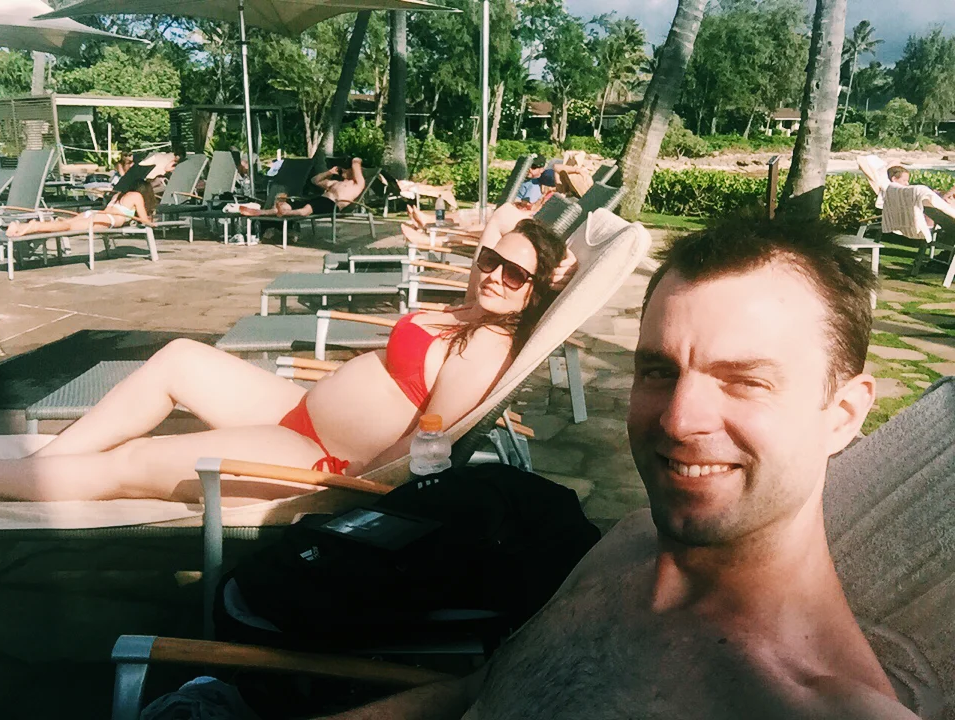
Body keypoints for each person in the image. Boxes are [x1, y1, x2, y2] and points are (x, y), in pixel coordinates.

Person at [310, 218, 920, 720]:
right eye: (658, 371)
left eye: (745, 381)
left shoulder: (813, 705)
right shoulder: (627, 546)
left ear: (843, 416)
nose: (679, 420)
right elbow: (481, 692)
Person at [0, 220, 567, 504]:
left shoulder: (487, 345)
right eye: (489, 261)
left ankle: (11, 480)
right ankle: (42, 466)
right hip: (297, 412)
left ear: (536, 291)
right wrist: (548, 255)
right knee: (179, 358)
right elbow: (503, 227)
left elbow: (428, 446)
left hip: (319, 461)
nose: (495, 276)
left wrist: (348, 489)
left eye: (516, 275)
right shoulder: (476, 306)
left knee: (134, 461)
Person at [5, 174, 156, 238]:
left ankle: (19, 226)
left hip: (94, 214)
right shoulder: (136, 196)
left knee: (66, 224)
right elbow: (144, 219)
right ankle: (34, 226)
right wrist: (153, 224)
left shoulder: (119, 195)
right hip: (106, 219)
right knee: (67, 227)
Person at [240, 157, 366, 219]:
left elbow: (356, 161)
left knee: (305, 210)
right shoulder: (334, 183)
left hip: (332, 204)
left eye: (345, 169)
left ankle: (284, 213)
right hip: (318, 199)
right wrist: (329, 172)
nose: (343, 171)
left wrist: (352, 164)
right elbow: (314, 180)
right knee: (286, 205)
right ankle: (260, 212)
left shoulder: (357, 185)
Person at [885, 165, 955, 236]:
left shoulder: (893, 192)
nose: (907, 183)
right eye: (904, 180)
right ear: (894, 179)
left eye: (907, 181)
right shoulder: (918, 196)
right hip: (943, 216)